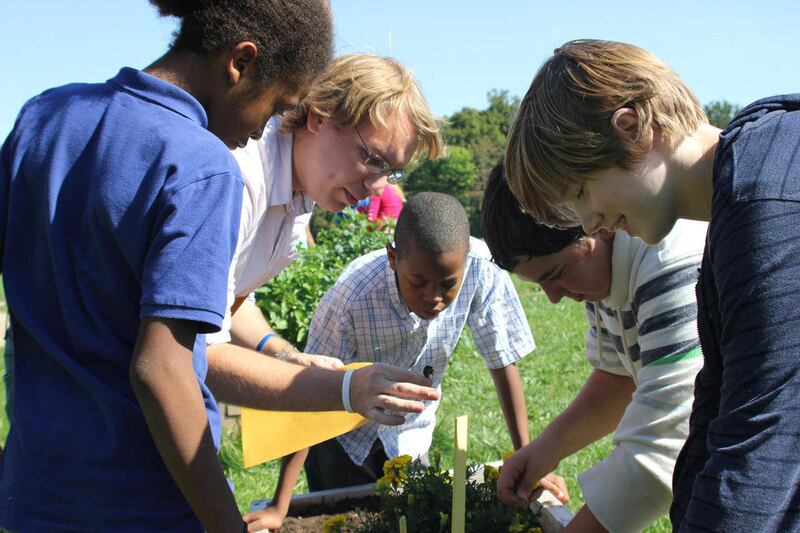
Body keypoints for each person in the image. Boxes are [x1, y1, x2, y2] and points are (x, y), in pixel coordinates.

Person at [0, 3, 437, 532]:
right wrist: (344, 391)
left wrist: (283, 353)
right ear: (242, 64)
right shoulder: (210, 165)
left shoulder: (41, 117)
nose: (265, 127)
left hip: (34, 485)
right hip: (144, 492)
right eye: (281, 104)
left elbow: (215, 298)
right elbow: (170, 365)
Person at [503, 39, 800, 531]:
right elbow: (713, 419)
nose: (590, 223)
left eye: (582, 191)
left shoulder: (766, 206)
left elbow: (763, 444)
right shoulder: (735, 209)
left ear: (633, 126)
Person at [202, 54, 445, 531]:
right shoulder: (236, 179)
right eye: (371, 158)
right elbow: (189, 349)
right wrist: (341, 389)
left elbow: (231, 299)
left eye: (389, 172)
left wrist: (284, 353)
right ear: (319, 117)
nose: (376, 188)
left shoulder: (301, 197)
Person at [243, 191, 567, 532]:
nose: (434, 297)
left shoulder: (481, 270)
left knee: (414, 517)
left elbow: (502, 362)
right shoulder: (351, 297)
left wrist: (526, 461)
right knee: (345, 520)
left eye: (448, 284)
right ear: (393, 258)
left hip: (410, 433)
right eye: (419, 282)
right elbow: (308, 396)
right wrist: (280, 504)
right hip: (341, 439)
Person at [484, 162, 705, 533]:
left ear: (596, 225)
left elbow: (665, 448)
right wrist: (545, 449)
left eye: (556, 275)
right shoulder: (599, 269)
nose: (553, 297)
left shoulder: (670, 260)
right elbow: (620, 376)